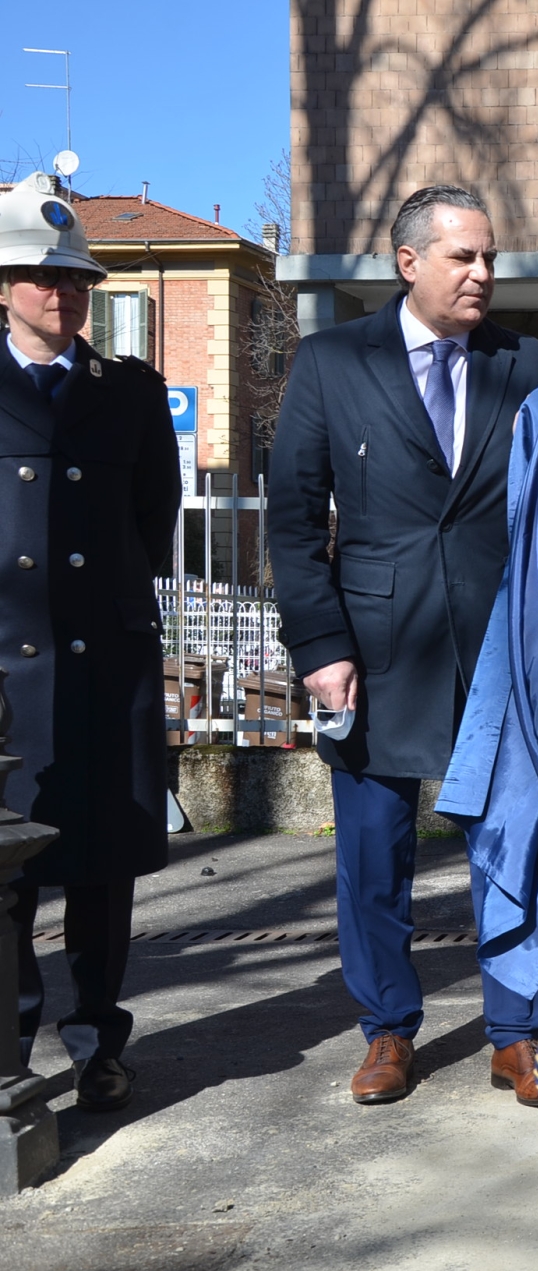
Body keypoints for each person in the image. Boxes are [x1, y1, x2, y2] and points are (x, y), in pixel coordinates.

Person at [266, 186, 538, 1107]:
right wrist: (320, 644)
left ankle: (516, 1035)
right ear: (408, 262)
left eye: (489, 257)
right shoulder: (332, 361)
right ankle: (388, 1030)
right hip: (373, 648)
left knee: (511, 845)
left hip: (498, 647)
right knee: (372, 854)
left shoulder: (527, 362)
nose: (482, 274)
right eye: (462, 257)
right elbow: (292, 520)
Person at [0, 174, 177, 1112]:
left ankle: (99, 1042)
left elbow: (152, 523)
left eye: (77, 279)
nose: (62, 293)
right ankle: (10, 1047)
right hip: (6, 672)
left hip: (104, 665)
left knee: (103, 870)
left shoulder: (130, 392)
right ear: (4, 286)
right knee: (8, 878)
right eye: (42, 275)